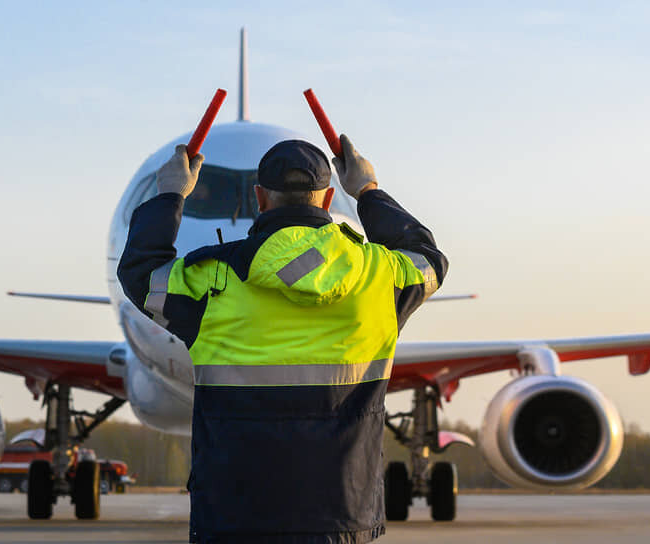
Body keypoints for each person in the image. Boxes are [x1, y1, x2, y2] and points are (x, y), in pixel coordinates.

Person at [118, 136, 447, 544]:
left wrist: (170, 193)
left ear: (260, 198)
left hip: (234, 519)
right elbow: (429, 260)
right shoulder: (378, 279)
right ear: (328, 200)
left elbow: (140, 273)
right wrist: (368, 191)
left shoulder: (214, 279)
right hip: (342, 519)